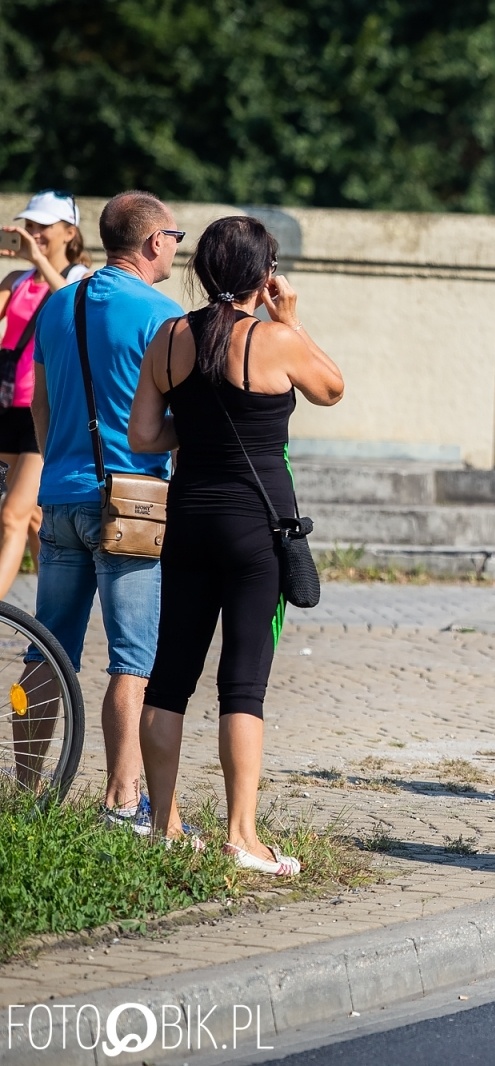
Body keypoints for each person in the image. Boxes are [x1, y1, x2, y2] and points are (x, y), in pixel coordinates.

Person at [129, 217, 344, 869]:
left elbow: (143, 436)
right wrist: (294, 319)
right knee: (242, 686)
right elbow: (332, 389)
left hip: (188, 518)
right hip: (257, 527)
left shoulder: (169, 338)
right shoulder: (276, 340)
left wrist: (194, 430)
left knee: (169, 677)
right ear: (264, 274)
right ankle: (241, 837)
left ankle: (163, 824)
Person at [20, 191, 181, 824]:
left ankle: (25, 792)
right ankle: (123, 801)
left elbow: (38, 402)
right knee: (131, 658)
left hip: (58, 496)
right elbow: (175, 414)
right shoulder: (160, 315)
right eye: (173, 235)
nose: (175, 245)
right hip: (132, 502)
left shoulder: (58, 304)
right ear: (149, 243)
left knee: (44, 650)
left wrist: (56, 460)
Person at [0, 192, 91, 603]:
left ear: (69, 232)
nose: (33, 233)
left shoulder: (81, 278)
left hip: (46, 411)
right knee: (34, 518)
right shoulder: (15, 281)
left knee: (12, 515)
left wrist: (39, 262)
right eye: (29, 226)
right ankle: (49, 615)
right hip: (6, 408)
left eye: (43, 226)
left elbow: (72, 308)